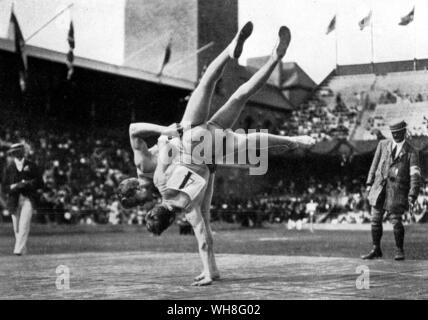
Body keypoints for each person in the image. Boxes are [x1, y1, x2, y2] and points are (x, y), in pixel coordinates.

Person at [119, 22, 315, 285]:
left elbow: (204, 232)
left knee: (241, 103)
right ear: (156, 207)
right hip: (193, 141)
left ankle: (290, 124)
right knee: (210, 85)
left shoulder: (184, 204)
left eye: (139, 200)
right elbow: (165, 150)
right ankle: (232, 51)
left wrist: (210, 272)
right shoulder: (160, 184)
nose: (145, 201)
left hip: (207, 152)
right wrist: (169, 136)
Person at [362, 121, 421, 261]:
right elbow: (374, 165)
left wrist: (413, 194)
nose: (395, 136)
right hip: (379, 188)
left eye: (398, 133)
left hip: (397, 191)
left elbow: (415, 175)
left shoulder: (412, 151)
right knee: (375, 220)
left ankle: (399, 250)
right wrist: (369, 183)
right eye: (393, 134)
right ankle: (376, 249)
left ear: (404, 132)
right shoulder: (383, 145)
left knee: (396, 220)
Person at [1, 143, 43, 255]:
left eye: (19, 151)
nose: (18, 153)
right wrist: (15, 186)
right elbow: (5, 187)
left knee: (24, 224)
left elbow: (40, 183)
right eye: (15, 151)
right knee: (17, 228)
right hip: (14, 199)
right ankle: (22, 250)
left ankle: (18, 250)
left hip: (28, 198)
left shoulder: (32, 165)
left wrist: (29, 184)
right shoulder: (9, 168)